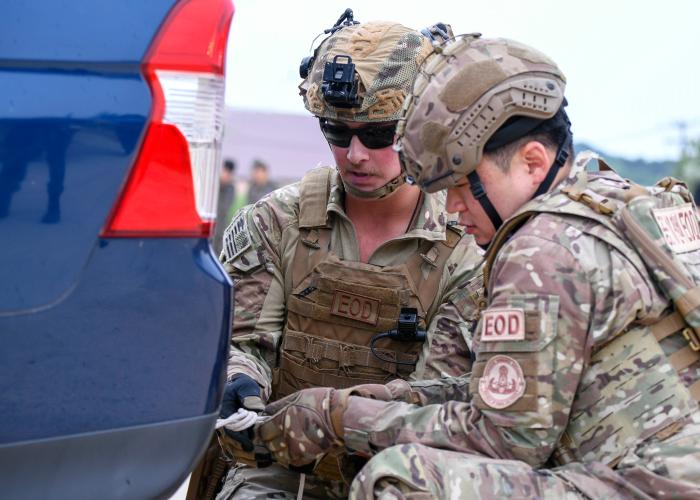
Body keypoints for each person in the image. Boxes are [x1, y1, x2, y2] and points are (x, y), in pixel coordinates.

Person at [255, 35, 700, 498]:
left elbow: (507, 438)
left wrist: (339, 419)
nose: (452, 207)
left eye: (465, 186)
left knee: (403, 479)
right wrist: (369, 401)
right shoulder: (624, 204)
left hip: (647, 486)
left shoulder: (541, 249)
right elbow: (500, 392)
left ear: (532, 162)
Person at [213, 12, 484, 500]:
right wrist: (238, 378)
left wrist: (331, 416)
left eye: (378, 134)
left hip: (402, 471)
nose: (355, 154)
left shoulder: (463, 247)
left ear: (422, 127)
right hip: (277, 469)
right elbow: (243, 340)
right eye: (337, 132)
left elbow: (441, 399)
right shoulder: (277, 220)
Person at [214, 158, 237, 255]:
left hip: (222, 226)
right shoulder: (214, 185)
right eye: (225, 171)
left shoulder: (230, 189)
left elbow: (226, 207)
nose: (226, 175)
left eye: (229, 173)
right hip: (212, 225)